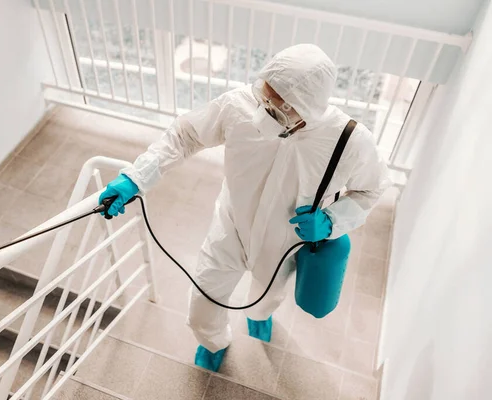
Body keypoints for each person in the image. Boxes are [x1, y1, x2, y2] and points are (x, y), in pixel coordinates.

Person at [99, 44, 391, 372]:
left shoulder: (349, 141)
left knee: (267, 297)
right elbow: (185, 136)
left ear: (307, 108)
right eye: (264, 97)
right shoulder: (238, 105)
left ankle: (259, 316)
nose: (265, 110)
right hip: (230, 227)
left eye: (279, 107)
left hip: (283, 244)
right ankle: (213, 341)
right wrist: (136, 178)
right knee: (202, 306)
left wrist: (332, 221)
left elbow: (371, 188)